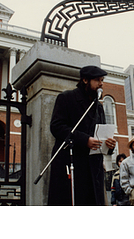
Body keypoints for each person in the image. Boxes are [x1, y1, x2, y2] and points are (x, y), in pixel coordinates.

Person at [48, 65, 116, 206]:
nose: (101, 84)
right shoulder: (66, 98)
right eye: (97, 80)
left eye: (102, 80)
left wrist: (109, 146)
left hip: (93, 168)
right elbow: (56, 126)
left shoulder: (98, 106)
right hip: (72, 163)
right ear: (85, 80)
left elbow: (101, 132)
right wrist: (85, 140)